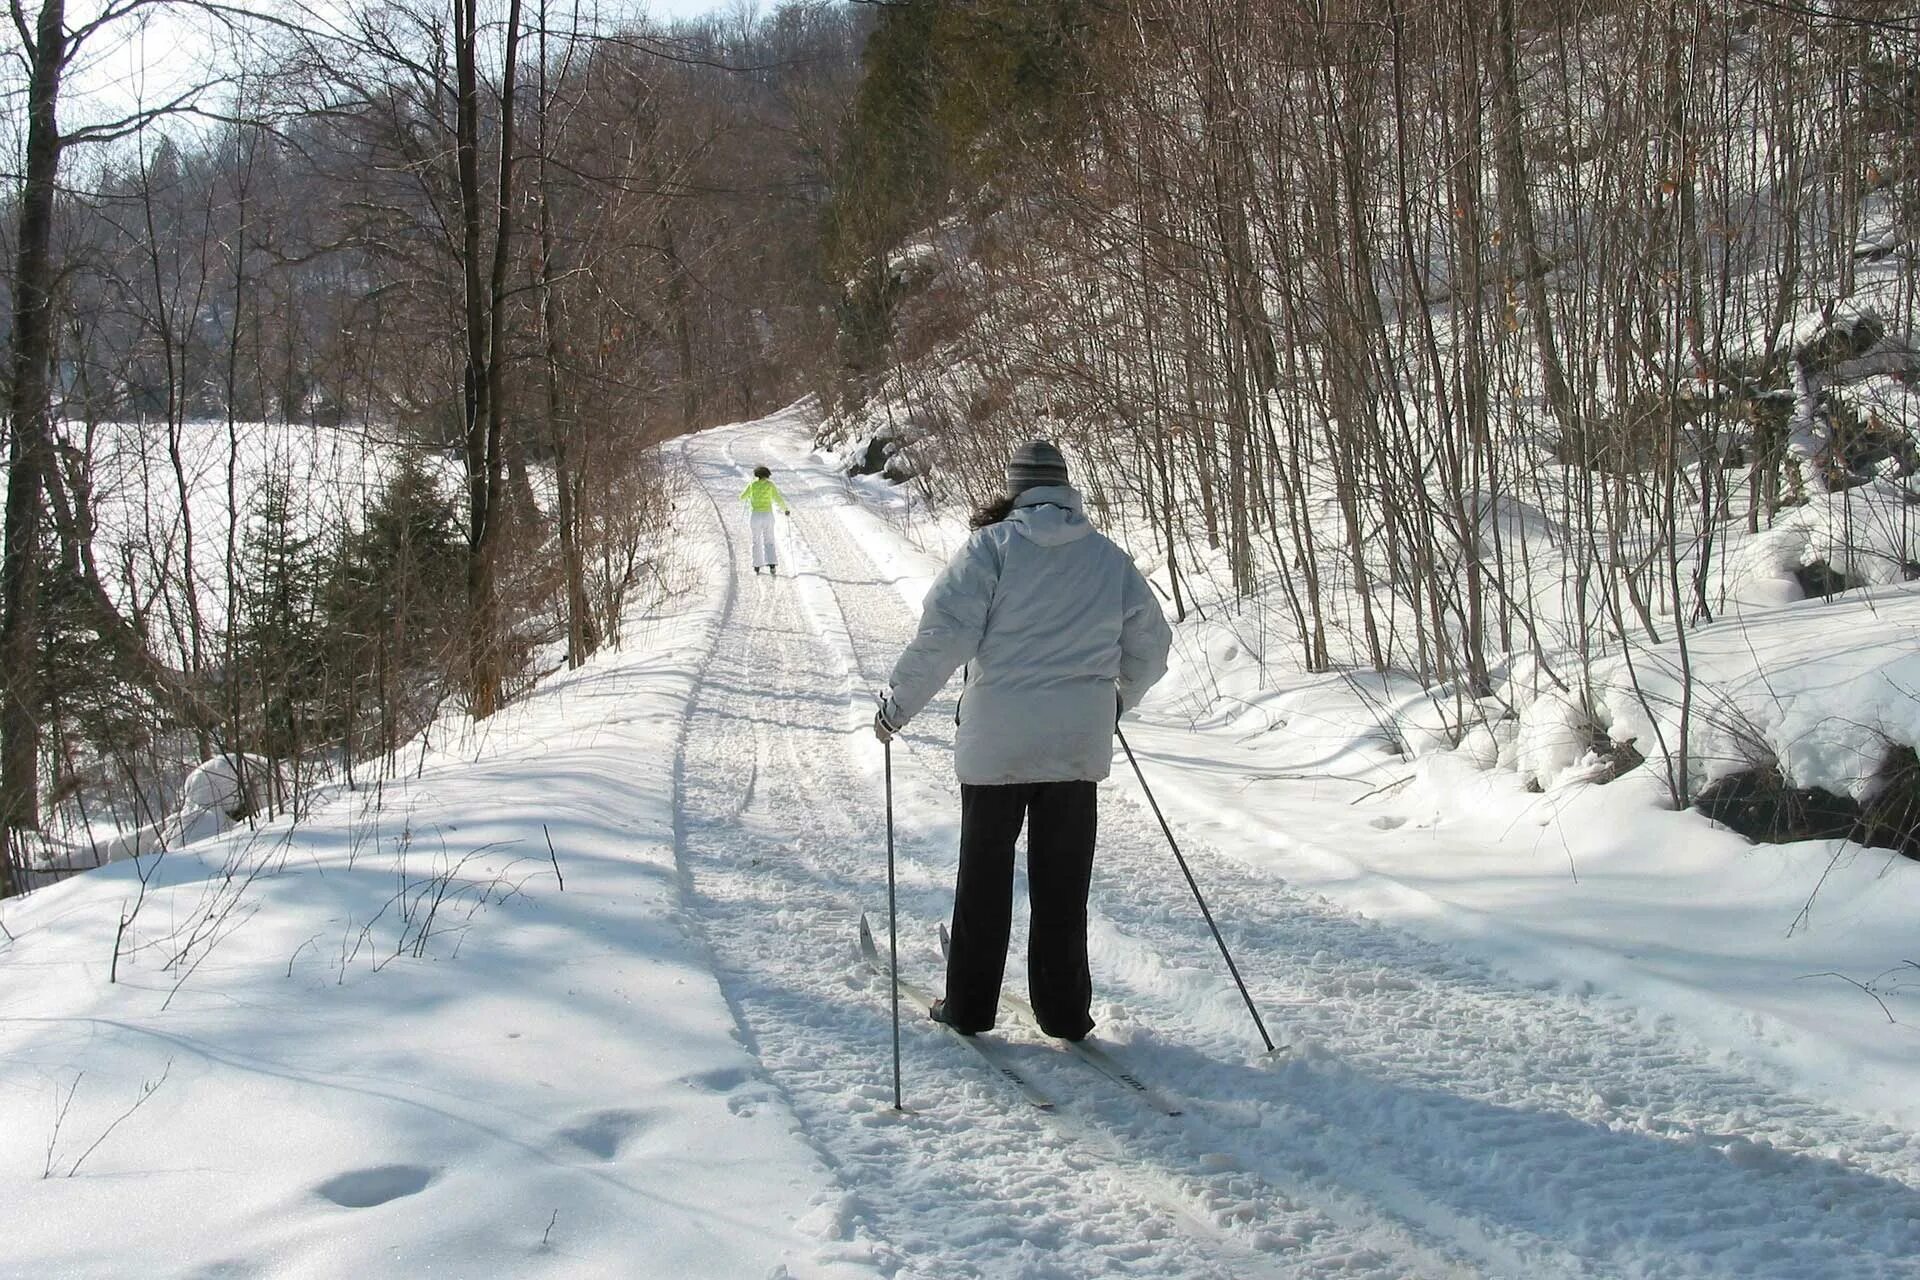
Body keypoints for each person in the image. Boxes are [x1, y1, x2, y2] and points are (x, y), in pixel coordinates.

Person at [872, 440, 1171, 1041]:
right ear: (1065, 487)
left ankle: (970, 1007)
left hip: (996, 748)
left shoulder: (990, 549)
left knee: (983, 879)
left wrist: (895, 710)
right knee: (1063, 885)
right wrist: (1113, 702)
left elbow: (944, 638)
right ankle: (1064, 1013)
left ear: (1017, 488)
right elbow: (1153, 646)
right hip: (1074, 748)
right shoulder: (1107, 558)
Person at [739, 465, 791, 575]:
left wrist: (749, 496)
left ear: (756, 475)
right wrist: (785, 509)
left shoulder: (752, 485)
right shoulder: (770, 485)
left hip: (755, 516)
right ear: (767, 475)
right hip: (768, 515)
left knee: (756, 540)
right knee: (769, 539)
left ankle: (757, 565)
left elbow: (742, 497)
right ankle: (772, 565)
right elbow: (777, 498)